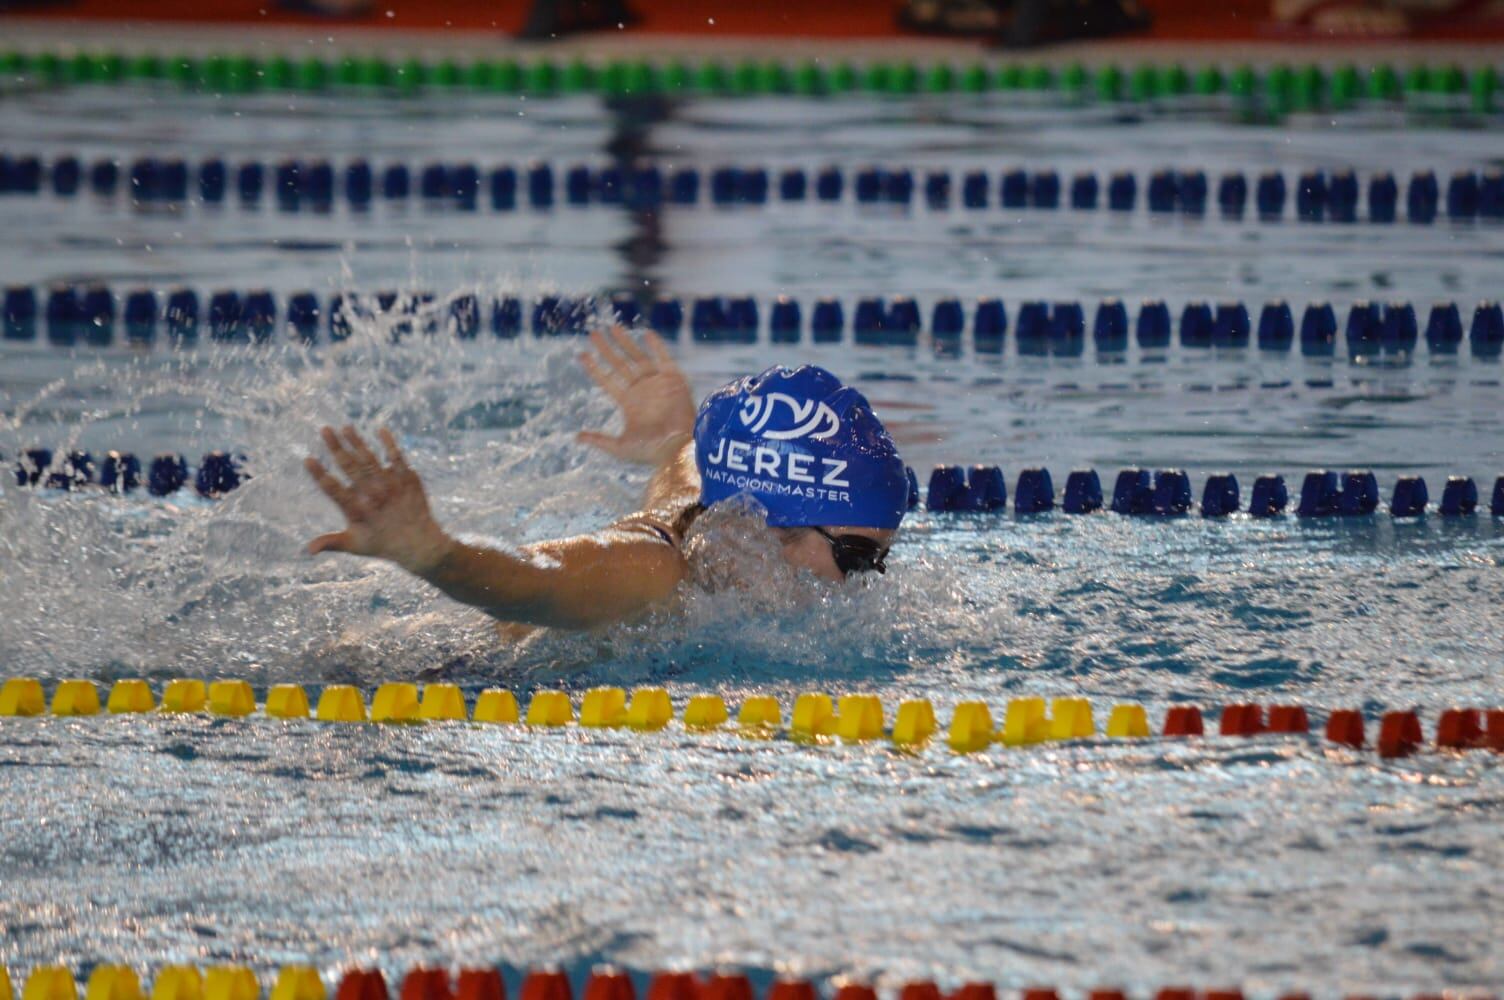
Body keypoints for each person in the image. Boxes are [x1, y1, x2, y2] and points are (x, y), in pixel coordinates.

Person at [303, 327, 909, 630]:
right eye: (857, 557)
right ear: (769, 525)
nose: (867, 581)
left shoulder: (712, 509)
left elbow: (690, 460)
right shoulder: (653, 570)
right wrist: (433, 553)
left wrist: (669, 438)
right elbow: (535, 580)